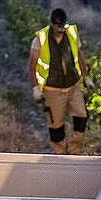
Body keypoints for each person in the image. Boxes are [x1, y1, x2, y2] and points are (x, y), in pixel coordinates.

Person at [28, 8, 90, 155]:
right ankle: (60, 156)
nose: (61, 29)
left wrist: (85, 76)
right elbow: (32, 64)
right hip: (52, 89)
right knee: (56, 126)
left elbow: (79, 56)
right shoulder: (40, 38)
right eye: (58, 26)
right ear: (51, 23)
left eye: (63, 25)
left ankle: (75, 151)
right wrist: (35, 87)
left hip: (73, 85)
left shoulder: (71, 33)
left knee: (81, 117)